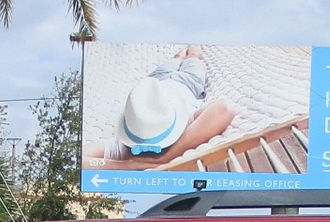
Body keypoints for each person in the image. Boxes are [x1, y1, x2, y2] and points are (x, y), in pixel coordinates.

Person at [86, 45, 235, 169]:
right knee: (191, 57)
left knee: (185, 56)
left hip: (155, 82)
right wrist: (129, 165)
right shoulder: (182, 127)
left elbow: (83, 160)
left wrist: (160, 159)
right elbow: (224, 108)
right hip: (188, 82)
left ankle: (189, 46)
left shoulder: (122, 148)